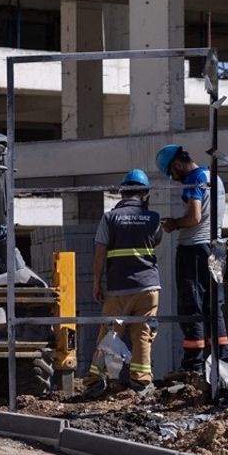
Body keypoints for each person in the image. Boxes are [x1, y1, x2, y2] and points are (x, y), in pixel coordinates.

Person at [82, 170, 162, 398]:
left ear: (122, 192)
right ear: (145, 194)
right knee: (143, 334)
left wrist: (97, 283)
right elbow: (156, 240)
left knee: (108, 334)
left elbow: (99, 253)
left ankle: (95, 381)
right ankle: (141, 383)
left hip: (119, 288)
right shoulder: (154, 218)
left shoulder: (110, 218)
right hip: (149, 288)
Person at [156, 144, 228, 371]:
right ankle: (221, 362)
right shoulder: (213, 176)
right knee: (214, 305)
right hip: (217, 250)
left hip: (195, 250)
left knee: (192, 306)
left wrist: (173, 224)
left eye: (173, 173)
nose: (175, 178)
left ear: (177, 164)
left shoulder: (194, 179)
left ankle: (194, 365)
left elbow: (194, 217)